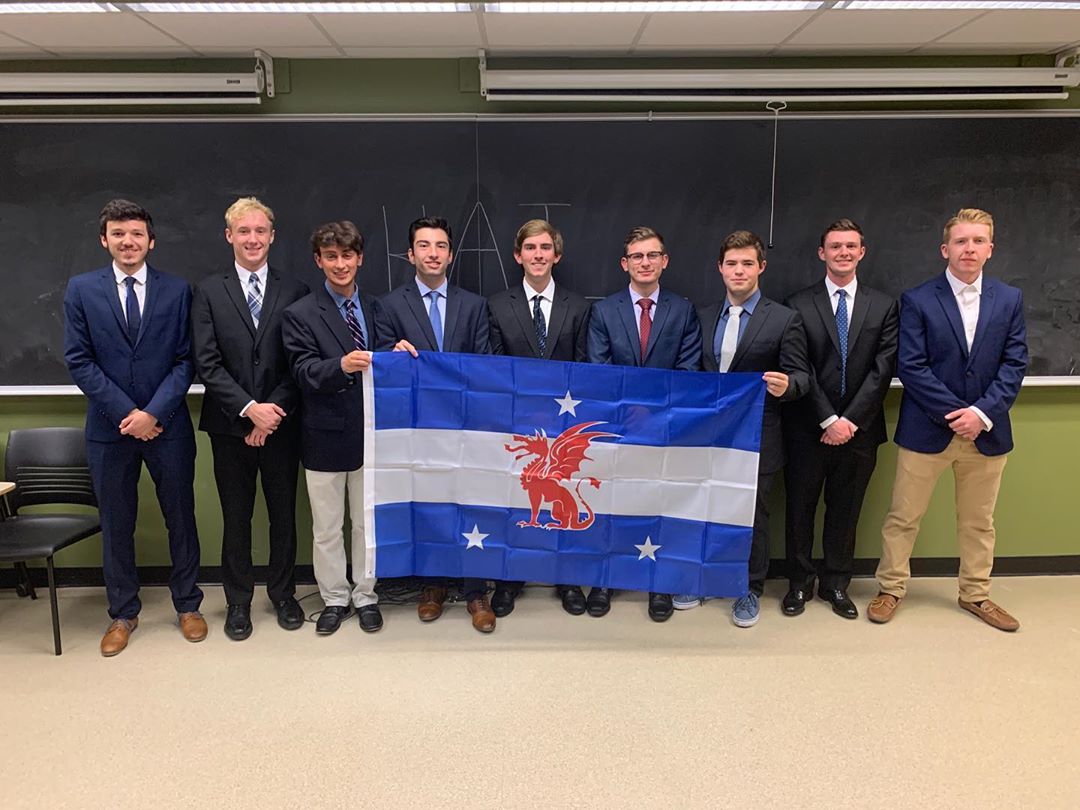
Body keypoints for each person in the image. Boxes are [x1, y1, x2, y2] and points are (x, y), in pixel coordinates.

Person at [869, 208, 1027, 631]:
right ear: (945, 249)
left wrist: (980, 414)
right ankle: (891, 588)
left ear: (990, 249)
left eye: (978, 241)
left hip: (987, 433)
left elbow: (1015, 364)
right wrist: (955, 414)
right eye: (961, 241)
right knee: (903, 516)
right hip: (927, 430)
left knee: (979, 522)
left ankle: (976, 594)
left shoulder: (1009, 299)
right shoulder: (918, 299)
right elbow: (913, 366)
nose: (969, 248)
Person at [63, 199, 205, 656]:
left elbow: (187, 361)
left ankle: (188, 604)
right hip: (109, 430)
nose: (129, 242)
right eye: (119, 234)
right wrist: (129, 414)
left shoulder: (177, 290)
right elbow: (79, 361)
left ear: (151, 241)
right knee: (117, 522)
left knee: (180, 518)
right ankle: (122, 613)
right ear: (105, 239)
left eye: (137, 234)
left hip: (169, 427)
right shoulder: (81, 289)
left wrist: (154, 413)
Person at [191, 197, 309, 641]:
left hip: (281, 424)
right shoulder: (207, 290)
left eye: (260, 231)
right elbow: (207, 362)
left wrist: (270, 413)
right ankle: (238, 601)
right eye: (244, 232)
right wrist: (248, 409)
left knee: (283, 514)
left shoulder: (295, 290)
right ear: (229, 236)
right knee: (235, 515)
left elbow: (298, 361)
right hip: (229, 425)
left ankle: (283, 594)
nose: (253, 239)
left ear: (272, 236)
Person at [372, 216, 496, 633]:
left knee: (471, 502)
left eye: (440, 246)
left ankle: (476, 589)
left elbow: (483, 367)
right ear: (411, 255)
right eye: (424, 246)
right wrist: (391, 354)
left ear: (451, 254)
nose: (433, 253)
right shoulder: (389, 306)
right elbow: (382, 367)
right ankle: (433, 585)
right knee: (428, 502)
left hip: (466, 426)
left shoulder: (474, 305)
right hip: (417, 427)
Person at [689, 230, 810, 628]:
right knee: (705, 507)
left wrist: (788, 385)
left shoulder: (784, 318)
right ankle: (704, 578)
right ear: (719, 268)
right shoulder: (703, 315)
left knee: (753, 515)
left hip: (760, 436)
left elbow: (802, 377)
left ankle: (749, 587)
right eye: (731, 264)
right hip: (709, 436)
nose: (738, 271)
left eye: (746, 263)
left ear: (761, 267)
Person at [781, 219, 898, 620]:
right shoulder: (797, 303)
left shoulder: (884, 305)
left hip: (860, 431)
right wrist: (827, 418)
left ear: (862, 252)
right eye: (835, 246)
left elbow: (882, 371)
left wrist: (848, 421)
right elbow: (799, 367)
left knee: (846, 511)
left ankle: (835, 584)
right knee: (800, 509)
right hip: (807, 428)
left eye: (851, 246)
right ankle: (799, 584)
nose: (843, 253)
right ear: (822, 253)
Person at [585, 225, 702, 622]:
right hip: (616, 428)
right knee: (612, 503)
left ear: (664, 261)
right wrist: (628, 412)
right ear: (625, 263)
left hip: (665, 429)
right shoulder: (603, 311)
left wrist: (653, 413)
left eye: (653, 255)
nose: (645, 262)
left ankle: (658, 583)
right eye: (637, 256)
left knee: (659, 504)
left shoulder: (683, 310)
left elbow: (688, 371)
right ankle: (606, 578)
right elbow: (599, 371)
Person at [487, 219, 593, 617]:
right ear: (518, 255)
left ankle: (566, 578)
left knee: (559, 499)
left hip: (564, 425)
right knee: (517, 500)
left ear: (557, 255)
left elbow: (585, 367)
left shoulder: (579, 307)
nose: (538, 255)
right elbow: (493, 367)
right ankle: (510, 578)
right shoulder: (497, 305)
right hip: (517, 425)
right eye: (530, 248)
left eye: (545, 248)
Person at [281, 221, 383, 635]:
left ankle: (366, 595)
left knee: (365, 524)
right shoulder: (300, 313)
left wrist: (401, 352)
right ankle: (335, 598)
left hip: (372, 437)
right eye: (331, 257)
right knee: (326, 528)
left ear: (359, 258)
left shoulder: (378, 308)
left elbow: (391, 353)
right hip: (323, 435)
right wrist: (339, 366)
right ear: (318, 261)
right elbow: (302, 371)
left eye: (347, 255)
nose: (340, 264)